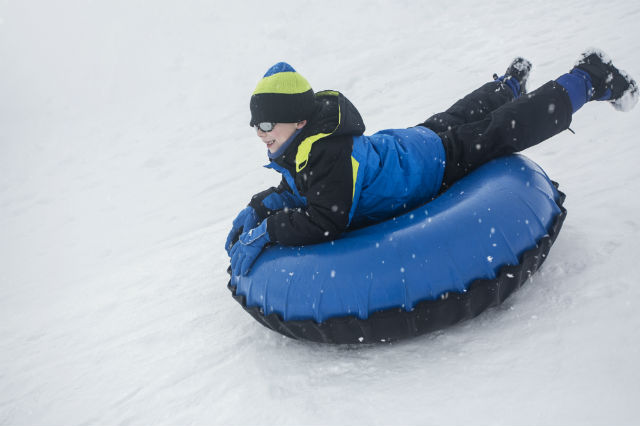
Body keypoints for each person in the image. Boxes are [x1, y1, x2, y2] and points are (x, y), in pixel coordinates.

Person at [226, 50, 638, 276]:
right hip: (408, 148)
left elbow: (326, 218)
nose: (260, 133)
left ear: (298, 120)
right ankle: (508, 84)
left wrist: (269, 232)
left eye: (266, 123)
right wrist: (262, 204)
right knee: (456, 118)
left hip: (431, 166)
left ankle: (590, 77)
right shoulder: (305, 145)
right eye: (254, 125)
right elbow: (302, 186)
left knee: (502, 130)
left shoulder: (325, 153)